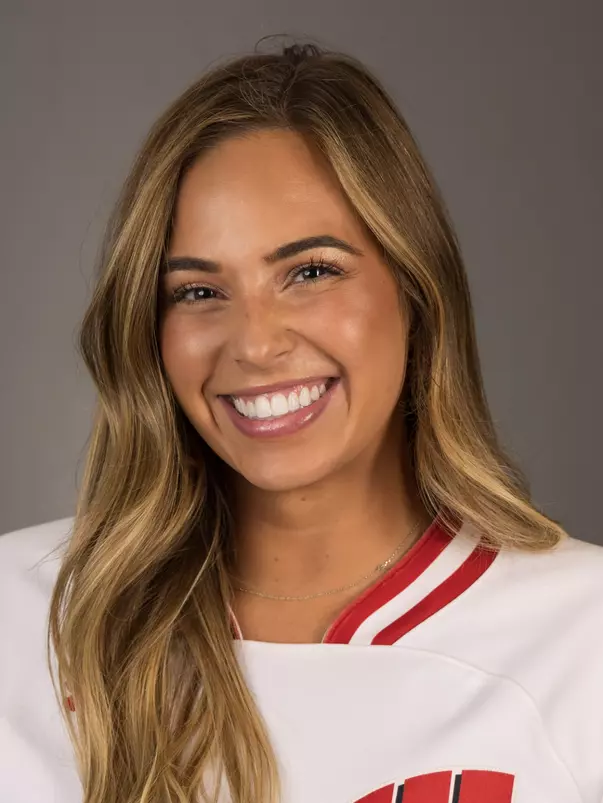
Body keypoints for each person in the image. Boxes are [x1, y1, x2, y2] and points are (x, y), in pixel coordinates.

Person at [0, 38, 602, 803]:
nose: (254, 343)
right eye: (196, 291)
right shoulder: (18, 614)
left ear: (414, 290)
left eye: (310, 272)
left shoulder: (585, 641)